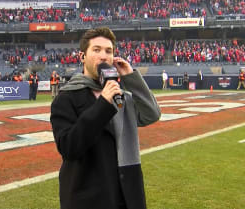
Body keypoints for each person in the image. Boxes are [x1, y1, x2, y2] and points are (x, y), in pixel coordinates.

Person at [50, 27, 161, 209]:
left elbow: (152, 114)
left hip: (125, 193)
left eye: (108, 51)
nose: (103, 56)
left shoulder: (120, 95)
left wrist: (131, 78)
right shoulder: (66, 98)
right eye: (96, 50)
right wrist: (102, 104)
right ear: (82, 57)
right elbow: (69, 147)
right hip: (87, 196)